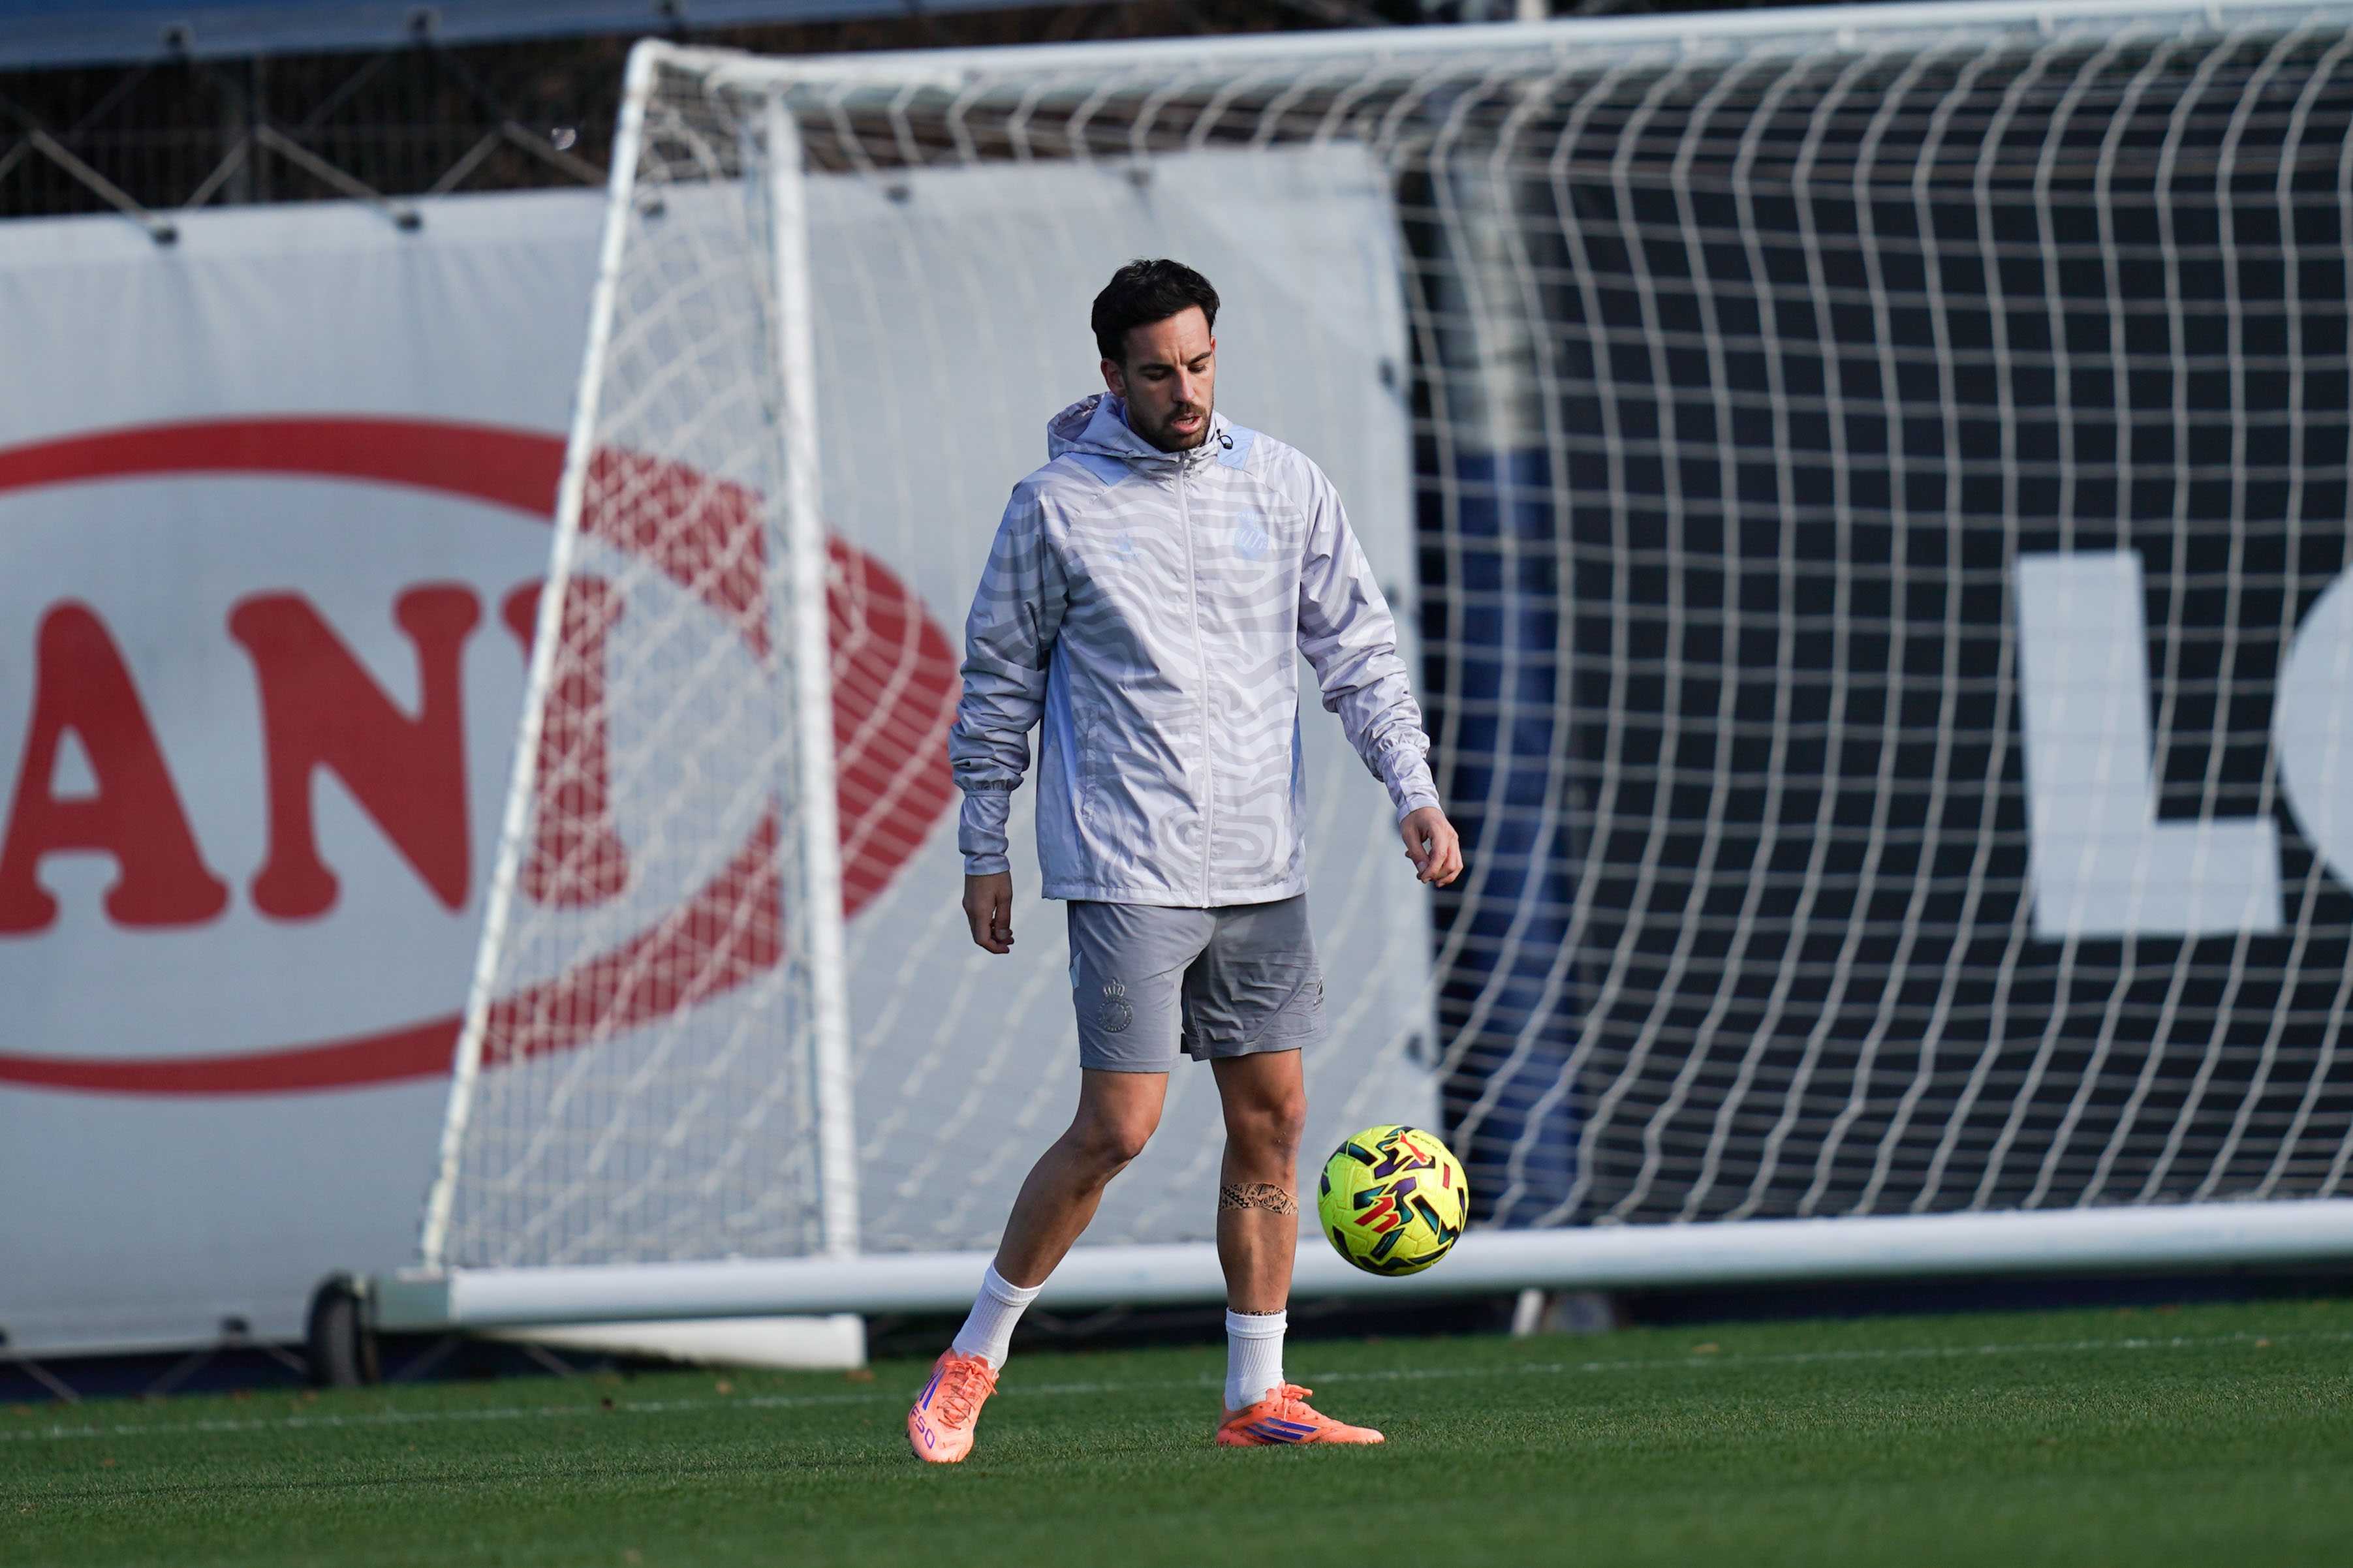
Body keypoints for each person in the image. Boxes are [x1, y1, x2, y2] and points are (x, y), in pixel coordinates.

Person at [907, 258, 1463, 1464]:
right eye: (1159, 372)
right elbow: (997, 682)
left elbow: (1357, 651)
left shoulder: (1283, 482)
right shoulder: (1053, 506)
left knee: (1274, 1118)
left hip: (1261, 863)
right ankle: (972, 1357)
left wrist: (1411, 789)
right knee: (1119, 1127)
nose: (1187, 391)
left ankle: (1256, 1394)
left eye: (1201, 364)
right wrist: (982, 844)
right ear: (1111, 375)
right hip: (1127, 861)